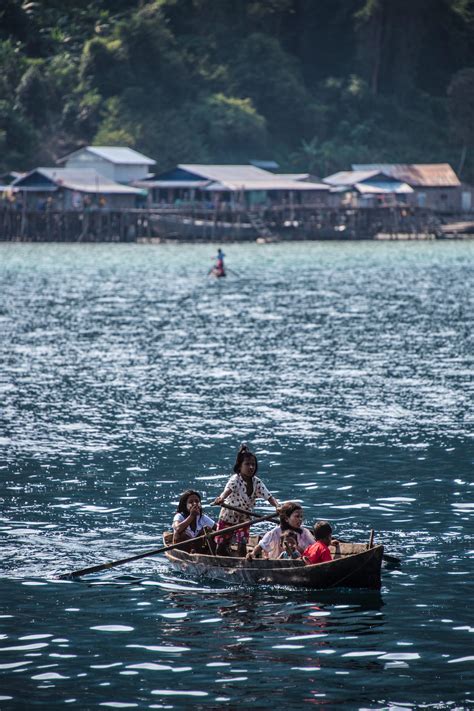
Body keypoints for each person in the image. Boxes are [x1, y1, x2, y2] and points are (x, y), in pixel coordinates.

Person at [213, 444, 279, 557]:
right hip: (229, 516)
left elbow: (269, 497)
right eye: (247, 464)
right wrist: (221, 499)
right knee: (221, 546)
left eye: (253, 464)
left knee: (242, 545)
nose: (251, 467)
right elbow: (227, 491)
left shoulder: (257, 482)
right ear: (240, 466)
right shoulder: (235, 479)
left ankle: (241, 564)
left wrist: (278, 506)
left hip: (244, 517)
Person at [246, 501, 314, 560]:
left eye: (301, 517)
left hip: (299, 561)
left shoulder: (304, 532)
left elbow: (313, 547)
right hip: (277, 561)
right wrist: (252, 554)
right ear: (286, 519)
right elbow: (262, 545)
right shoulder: (275, 532)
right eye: (297, 516)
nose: (300, 519)